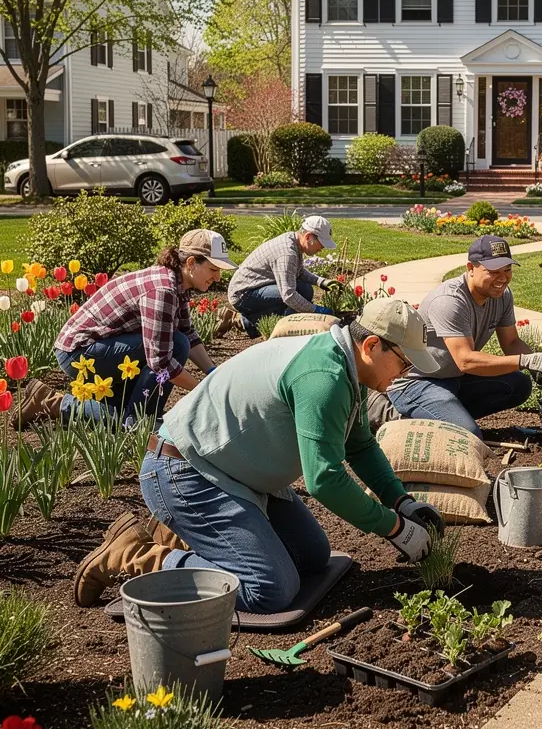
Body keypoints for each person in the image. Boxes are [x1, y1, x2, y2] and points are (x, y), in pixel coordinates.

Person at [73, 297, 445, 612]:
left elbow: (359, 445)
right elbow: (325, 480)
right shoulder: (323, 378)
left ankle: (180, 534)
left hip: (235, 472)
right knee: (269, 590)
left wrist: (401, 501)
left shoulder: (348, 369)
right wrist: (393, 528)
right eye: (404, 362)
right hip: (185, 471)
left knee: (312, 557)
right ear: (371, 345)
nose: (404, 374)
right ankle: (133, 556)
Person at [20, 230, 235, 428]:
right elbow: (160, 363)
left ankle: (140, 417)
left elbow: (188, 333)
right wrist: (202, 391)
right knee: (175, 346)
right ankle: (58, 404)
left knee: (179, 341)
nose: (218, 277)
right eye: (213, 269)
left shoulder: (176, 283)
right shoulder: (163, 290)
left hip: (106, 347)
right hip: (80, 353)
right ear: (190, 263)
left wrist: (212, 374)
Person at [386, 235, 542, 438]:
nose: (503, 278)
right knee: (468, 436)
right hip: (418, 383)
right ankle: (403, 417)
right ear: (470, 268)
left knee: (519, 385)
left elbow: (512, 342)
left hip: (454, 378)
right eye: (493, 271)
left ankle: (447, 414)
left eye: (507, 270)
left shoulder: (502, 295)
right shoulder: (449, 301)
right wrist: (526, 360)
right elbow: (465, 361)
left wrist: (539, 368)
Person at [228, 214, 338, 336]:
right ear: (308, 237)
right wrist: (316, 310)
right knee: (294, 298)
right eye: (321, 243)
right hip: (242, 294)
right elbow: (288, 295)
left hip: (256, 287)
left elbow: (298, 272)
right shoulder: (287, 253)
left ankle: (249, 322)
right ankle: (250, 323)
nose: (322, 248)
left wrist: (321, 282)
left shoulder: (294, 241)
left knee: (305, 290)